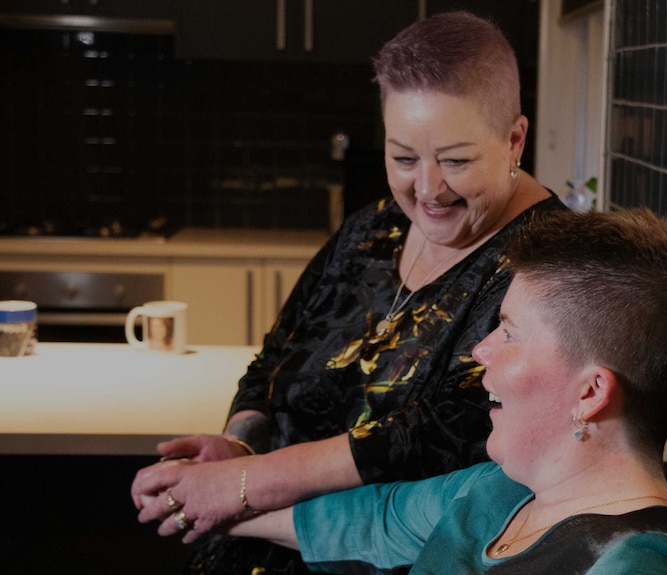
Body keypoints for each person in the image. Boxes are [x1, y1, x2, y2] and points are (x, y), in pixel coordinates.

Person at [131, 11, 566, 574]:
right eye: (403, 157)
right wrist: (240, 443)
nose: (428, 190)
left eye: (456, 161)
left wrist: (242, 484)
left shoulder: (549, 265)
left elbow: (441, 434)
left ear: (514, 140)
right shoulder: (374, 228)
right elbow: (276, 357)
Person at [225, 208, 667, 574]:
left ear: (591, 393)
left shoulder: (633, 566)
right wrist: (211, 501)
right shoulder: (499, 491)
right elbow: (372, 522)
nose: (478, 351)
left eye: (508, 333)